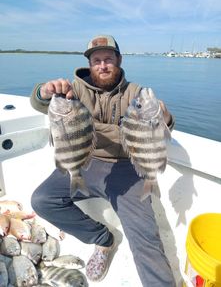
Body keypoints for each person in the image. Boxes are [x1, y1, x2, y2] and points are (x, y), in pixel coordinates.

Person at [30, 35, 176, 286]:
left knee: (145, 237)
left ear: (119, 60)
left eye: (108, 59)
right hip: (85, 161)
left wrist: (165, 115)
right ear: (89, 64)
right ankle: (103, 239)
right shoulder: (72, 90)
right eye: (97, 60)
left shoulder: (137, 93)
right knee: (42, 200)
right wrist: (43, 92)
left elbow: (162, 130)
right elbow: (41, 103)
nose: (103, 65)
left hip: (127, 169)